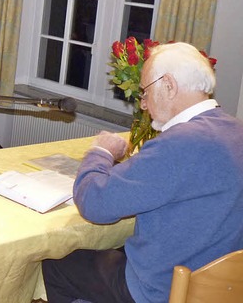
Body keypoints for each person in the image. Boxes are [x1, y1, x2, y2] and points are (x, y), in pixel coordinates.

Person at [42, 42, 243, 303]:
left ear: (169, 85)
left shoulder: (180, 142)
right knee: (113, 253)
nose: (144, 105)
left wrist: (101, 153)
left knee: (56, 264)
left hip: (160, 290)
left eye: (145, 92)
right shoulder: (236, 131)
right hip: (221, 287)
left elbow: (94, 203)